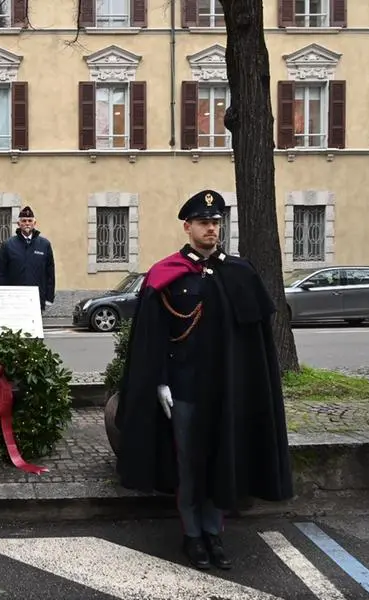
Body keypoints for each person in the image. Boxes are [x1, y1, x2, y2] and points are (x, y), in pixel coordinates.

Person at [114, 190, 293, 571]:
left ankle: (214, 531)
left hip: (227, 392)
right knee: (190, 465)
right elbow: (151, 338)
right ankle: (192, 534)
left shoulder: (239, 273)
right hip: (184, 390)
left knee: (222, 459)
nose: (211, 229)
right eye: (204, 223)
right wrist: (159, 382)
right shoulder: (166, 274)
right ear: (188, 227)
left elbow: (254, 343)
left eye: (216, 222)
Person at [0, 206, 56, 312]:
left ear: (34, 223)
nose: (27, 223)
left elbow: (50, 273)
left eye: (29, 220)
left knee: (34, 328)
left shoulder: (44, 244)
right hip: (14, 300)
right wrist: (2, 296)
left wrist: (49, 297)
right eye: (24, 221)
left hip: (36, 298)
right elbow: (1, 274)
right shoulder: (8, 245)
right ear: (19, 224)